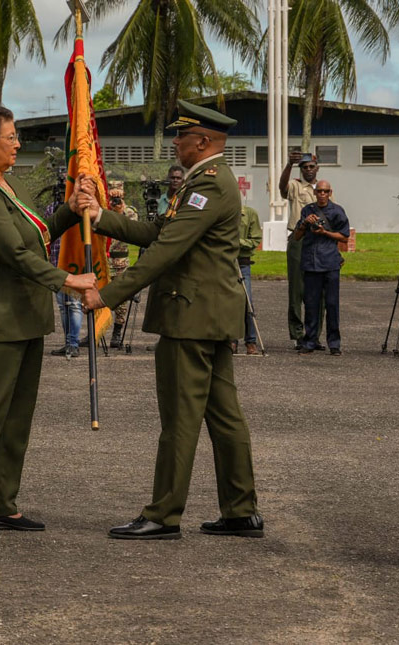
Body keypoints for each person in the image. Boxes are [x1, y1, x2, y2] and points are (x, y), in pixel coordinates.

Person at [79, 100, 262, 540]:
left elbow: (165, 251)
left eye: (181, 136)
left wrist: (106, 295)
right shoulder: (203, 180)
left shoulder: (210, 185)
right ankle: (240, 510)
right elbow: (159, 233)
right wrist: (101, 217)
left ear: (203, 142)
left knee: (181, 419)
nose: (175, 143)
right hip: (208, 314)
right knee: (224, 416)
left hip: (191, 316)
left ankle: (164, 514)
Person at [0, 105, 95, 536]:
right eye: (11, 138)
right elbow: (16, 254)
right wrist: (69, 281)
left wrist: (70, 208)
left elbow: (39, 232)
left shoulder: (10, 185)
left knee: (15, 418)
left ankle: (0, 502)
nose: (18, 144)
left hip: (23, 319)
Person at [293, 180, 349, 356]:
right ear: (315, 193)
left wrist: (325, 232)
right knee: (311, 305)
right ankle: (310, 341)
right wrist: (305, 223)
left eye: (325, 191)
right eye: (319, 191)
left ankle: (334, 343)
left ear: (330, 192)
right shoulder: (307, 210)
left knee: (332, 305)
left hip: (330, 263)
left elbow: (344, 237)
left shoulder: (337, 211)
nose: (322, 194)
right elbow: (296, 236)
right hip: (311, 263)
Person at [281, 152, 321, 349]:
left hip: (319, 240)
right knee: (297, 288)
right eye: (304, 167)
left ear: (317, 168)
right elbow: (282, 188)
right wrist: (289, 164)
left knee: (317, 290)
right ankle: (298, 334)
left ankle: (314, 335)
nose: (308, 170)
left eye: (311, 166)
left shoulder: (323, 189)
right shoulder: (296, 186)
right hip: (298, 237)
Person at [107, 180, 139, 349]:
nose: (115, 199)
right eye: (113, 195)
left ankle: (117, 332)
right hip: (104, 262)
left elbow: (134, 228)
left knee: (121, 301)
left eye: (118, 195)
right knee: (98, 297)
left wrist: (122, 211)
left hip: (120, 263)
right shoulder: (102, 209)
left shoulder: (129, 212)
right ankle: (96, 332)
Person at [49, 215, 83, 359]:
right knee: (63, 307)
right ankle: (68, 342)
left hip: (74, 265)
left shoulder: (78, 211)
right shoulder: (51, 208)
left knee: (74, 305)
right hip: (57, 264)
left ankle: (73, 344)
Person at [234, 204, 263, 355]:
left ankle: (251, 341)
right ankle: (231, 340)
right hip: (224, 261)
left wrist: (237, 242)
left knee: (247, 301)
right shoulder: (221, 210)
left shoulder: (250, 213)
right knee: (228, 302)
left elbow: (256, 239)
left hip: (243, 262)